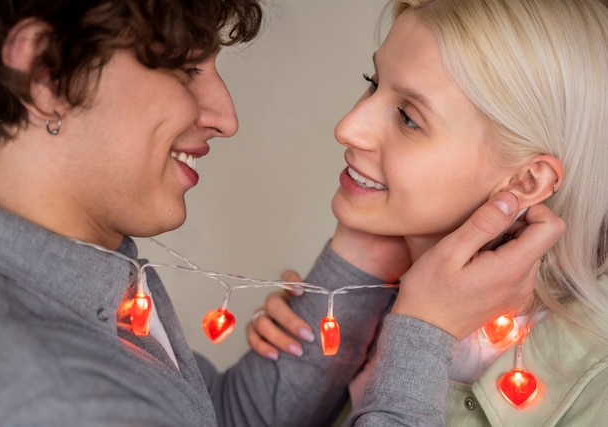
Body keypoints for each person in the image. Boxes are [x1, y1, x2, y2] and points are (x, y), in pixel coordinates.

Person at [0, 0, 564, 426]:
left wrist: (357, 259)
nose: (224, 116)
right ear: (46, 75)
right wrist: (423, 333)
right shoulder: (37, 386)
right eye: (187, 71)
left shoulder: (83, 287)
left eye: (409, 116)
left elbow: (218, 421)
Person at [248, 0, 608, 425]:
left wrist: (421, 333)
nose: (347, 127)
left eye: (408, 118)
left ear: (527, 181)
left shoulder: (594, 390)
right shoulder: (370, 304)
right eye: (372, 81)